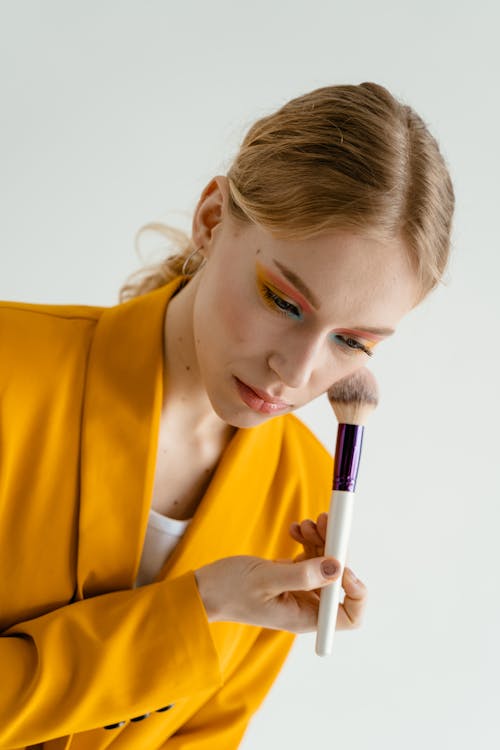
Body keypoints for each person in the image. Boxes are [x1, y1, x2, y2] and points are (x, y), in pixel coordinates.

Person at [0, 82, 454, 748]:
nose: (297, 374)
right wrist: (198, 608)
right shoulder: (14, 367)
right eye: (284, 302)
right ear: (212, 220)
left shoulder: (301, 490)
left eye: (352, 342)